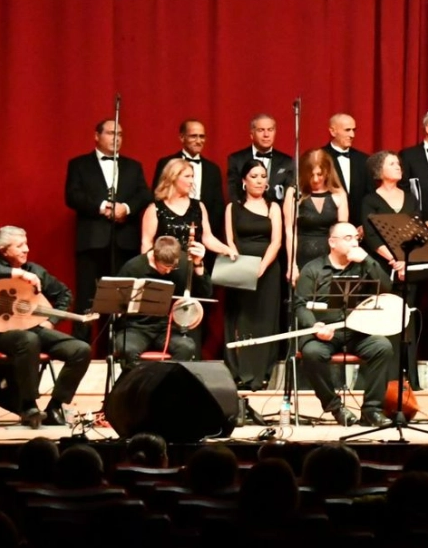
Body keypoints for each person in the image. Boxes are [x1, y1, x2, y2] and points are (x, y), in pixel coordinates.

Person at [0, 225, 92, 429]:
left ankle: (55, 407)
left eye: (26, 244)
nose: (26, 249)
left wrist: (51, 321)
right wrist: (17, 274)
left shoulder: (35, 270)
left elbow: (64, 294)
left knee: (80, 349)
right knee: (27, 339)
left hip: (28, 328)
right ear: (4, 250)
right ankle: (28, 405)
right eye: (20, 245)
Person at [294, 223, 396, 426]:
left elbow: (387, 289)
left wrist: (367, 260)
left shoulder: (364, 265)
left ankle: (371, 410)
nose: (354, 242)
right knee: (313, 353)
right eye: (347, 238)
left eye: (356, 238)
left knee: (383, 347)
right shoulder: (312, 269)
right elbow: (300, 304)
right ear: (332, 242)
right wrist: (315, 326)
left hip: (358, 331)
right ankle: (335, 408)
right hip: (324, 332)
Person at [64, 119, 152, 327]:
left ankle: (118, 349)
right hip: (91, 241)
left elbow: (144, 195)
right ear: (97, 136)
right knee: (86, 296)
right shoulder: (79, 164)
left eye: (120, 134)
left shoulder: (133, 166)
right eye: (111, 133)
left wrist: (126, 208)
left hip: (124, 241)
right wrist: (103, 207)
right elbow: (72, 196)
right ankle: (81, 349)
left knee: (121, 299)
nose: (116, 138)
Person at [355, 151, 425, 386]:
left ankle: (411, 379)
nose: (398, 166)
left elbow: (416, 230)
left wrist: (405, 260)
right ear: (379, 171)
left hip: (409, 265)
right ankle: (385, 378)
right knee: (385, 320)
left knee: (409, 321)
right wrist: (394, 259)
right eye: (392, 163)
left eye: (398, 163)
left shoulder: (410, 198)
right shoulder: (370, 200)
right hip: (383, 267)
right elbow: (371, 235)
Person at [222, 160, 285, 389]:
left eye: (262, 176)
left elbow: (276, 241)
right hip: (240, 268)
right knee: (240, 319)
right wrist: (244, 267)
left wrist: (262, 266)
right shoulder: (233, 207)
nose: (259, 180)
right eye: (254, 176)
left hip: (268, 270)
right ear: (243, 181)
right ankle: (239, 372)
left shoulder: (273, 207)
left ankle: (261, 374)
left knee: (264, 320)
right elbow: (230, 240)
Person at [115, 235, 212, 363]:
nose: (168, 272)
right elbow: (116, 304)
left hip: (168, 328)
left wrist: (198, 265)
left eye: (172, 267)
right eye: (164, 267)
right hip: (137, 328)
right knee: (127, 349)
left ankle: (166, 381)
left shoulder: (183, 263)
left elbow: (206, 293)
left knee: (186, 347)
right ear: (154, 257)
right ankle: (142, 382)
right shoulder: (133, 268)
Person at [141, 158, 233, 261]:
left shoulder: (199, 206)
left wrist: (227, 250)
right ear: (173, 178)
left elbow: (207, 237)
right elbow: (146, 243)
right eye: (187, 176)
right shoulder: (155, 209)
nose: (191, 181)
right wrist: (148, 268)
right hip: (164, 267)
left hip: (192, 267)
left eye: (192, 176)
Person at [153, 120, 227, 246]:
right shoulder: (166, 163)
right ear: (182, 137)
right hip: (170, 236)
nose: (199, 141)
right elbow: (158, 197)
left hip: (204, 237)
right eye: (194, 136)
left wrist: (203, 231)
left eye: (202, 136)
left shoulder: (213, 169)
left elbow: (218, 205)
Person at [289, 149, 349, 281]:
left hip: (331, 257)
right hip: (302, 256)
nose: (315, 179)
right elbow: (290, 231)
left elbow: (343, 233)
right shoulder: (294, 193)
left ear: (327, 172)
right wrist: (292, 265)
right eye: (311, 175)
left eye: (319, 174)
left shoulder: (338, 194)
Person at [226, 113, 295, 204]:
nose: (266, 134)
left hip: (277, 215)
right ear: (251, 134)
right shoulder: (236, 159)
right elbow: (234, 195)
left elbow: (289, 200)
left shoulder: (287, 162)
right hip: (245, 215)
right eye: (261, 130)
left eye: (270, 130)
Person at [322, 112, 371, 196]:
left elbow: (370, 194)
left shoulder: (363, 159)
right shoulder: (320, 157)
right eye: (347, 130)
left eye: (354, 130)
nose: (352, 135)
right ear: (332, 131)